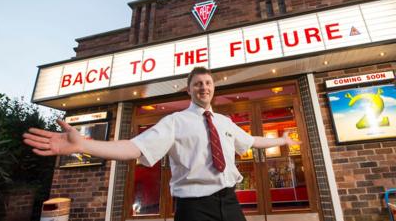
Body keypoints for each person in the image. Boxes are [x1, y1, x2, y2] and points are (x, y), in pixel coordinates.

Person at [23, 67, 299, 221]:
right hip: (194, 208)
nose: (204, 87)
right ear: (188, 89)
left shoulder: (225, 122)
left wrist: (282, 139)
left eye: (208, 83)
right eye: (197, 84)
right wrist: (83, 145)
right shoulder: (174, 122)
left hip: (229, 202)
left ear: (214, 88)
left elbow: (252, 141)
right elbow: (133, 148)